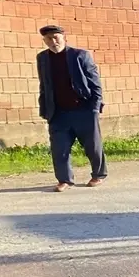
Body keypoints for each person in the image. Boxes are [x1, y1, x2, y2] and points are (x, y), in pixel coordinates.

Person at [36, 24, 107, 192]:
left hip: (83, 109)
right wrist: (45, 109)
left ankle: (98, 174)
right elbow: (44, 85)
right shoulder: (42, 58)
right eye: (49, 39)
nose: (53, 41)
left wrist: (95, 108)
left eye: (56, 37)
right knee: (59, 148)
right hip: (58, 112)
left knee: (92, 145)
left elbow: (95, 82)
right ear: (44, 41)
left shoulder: (79, 55)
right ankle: (64, 180)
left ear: (63, 37)